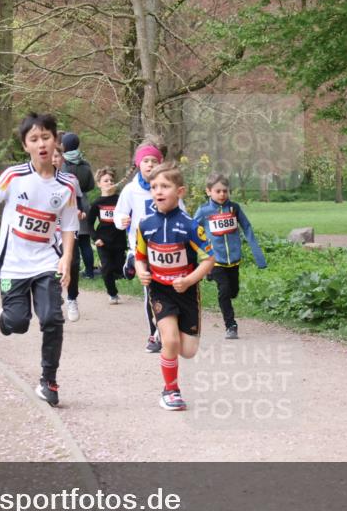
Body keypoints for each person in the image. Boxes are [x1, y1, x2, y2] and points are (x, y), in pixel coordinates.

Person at [0, 113, 78, 406]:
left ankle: (49, 381)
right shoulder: (13, 176)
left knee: (52, 318)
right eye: (34, 139)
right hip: (13, 263)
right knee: (18, 323)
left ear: (55, 141)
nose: (41, 144)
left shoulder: (67, 184)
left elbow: (69, 225)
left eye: (46, 137)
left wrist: (67, 258)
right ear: (26, 146)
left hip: (46, 260)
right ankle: (7, 317)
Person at [135, 162, 214, 410]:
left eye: (165, 186)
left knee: (188, 351)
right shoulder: (145, 225)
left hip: (186, 292)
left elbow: (209, 259)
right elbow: (140, 256)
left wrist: (189, 280)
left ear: (179, 192)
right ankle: (170, 391)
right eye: (154, 187)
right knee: (170, 342)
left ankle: (168, 333)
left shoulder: (190, 226)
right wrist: (142, 272)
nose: (158, 191)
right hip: (160, 290)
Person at [114, 142, 186, 353]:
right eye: (145, 160)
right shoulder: (130, 190)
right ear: (138, 164)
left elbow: (182, 212)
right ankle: (155, 333)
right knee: (151, 291)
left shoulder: (168, 186)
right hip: (142, 249)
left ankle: (171, 328)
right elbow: (118, 213)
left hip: (168, 248)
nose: (150, 164)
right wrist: (121, 220)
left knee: (171, 289)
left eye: (154, 161)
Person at [193, 173, 267, 339]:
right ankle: (231, 325)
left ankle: (214, 278)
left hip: (233, 260)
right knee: (224, 292)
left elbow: (247, 227)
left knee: (233, 291)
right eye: (218, 191)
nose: (222, 194)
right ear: (208, 191)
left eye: (225, 191)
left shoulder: (234, 208)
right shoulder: (204, 211)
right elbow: (192, 230)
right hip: (215, 260)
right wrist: (201, 254)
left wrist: (258, 256)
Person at [52, 143, 85, 322]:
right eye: (51, 156)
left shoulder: (71, 179)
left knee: (72, 262)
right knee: (51, 265)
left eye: (57, 156)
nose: (53, 159)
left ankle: (72, 299)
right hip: (49, 230)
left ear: (62, 159)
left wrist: (80, 210)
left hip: (68, 228)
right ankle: (54, 297)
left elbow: (79, 198)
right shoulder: (36, 181)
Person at [86, 167, 127, 303]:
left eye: (111, 180)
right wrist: (95, 238)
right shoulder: (97, 203)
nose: (109, 182)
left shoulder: (121, 200)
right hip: (103, 242)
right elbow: (89, 223)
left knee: (119, 269)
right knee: (107, 268)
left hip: (119, 240)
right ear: (99, 184)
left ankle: (110, 270)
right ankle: (112, 294)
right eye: (106, 180)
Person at [61, 132, 96, 279]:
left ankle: (69, 271)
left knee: (70, 241)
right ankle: (89, 272)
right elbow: (91, 185)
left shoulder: (62, 164)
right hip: (84, 202)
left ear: (65, 145)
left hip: (69, 203)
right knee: (85, 241)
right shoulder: (85, 164)